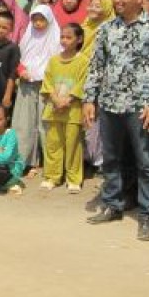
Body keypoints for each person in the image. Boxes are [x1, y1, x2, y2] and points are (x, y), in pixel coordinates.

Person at [84, 0, 149, 241]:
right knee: (111, 158)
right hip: (111, 103)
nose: (118, 0)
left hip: (143, 106)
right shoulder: (106, 29)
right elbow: (97, 66)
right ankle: (112, 204)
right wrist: (90, 99)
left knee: (147, 161)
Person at [40, 24, 89, 192]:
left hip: (73, 111)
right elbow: (47, 82)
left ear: (79, 39)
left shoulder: (83, 61)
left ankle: (73, 178)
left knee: (73, 144)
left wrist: (67, 100)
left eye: (69, 37)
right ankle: (52, 176)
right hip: (53, 109)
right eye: (62, 37)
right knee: (53, 144)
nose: (64, 40)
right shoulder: (53, 60)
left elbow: (83, 83)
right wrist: (55, 99)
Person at [15, 5, 61, 174]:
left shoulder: (56, 38)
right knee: (24, 123)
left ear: (49, 20)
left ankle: (50, 165)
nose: (38, 23)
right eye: (35, 19)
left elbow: (59, 62)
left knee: (46, 125)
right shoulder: (28, 37)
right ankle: (25, 161)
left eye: (42, 20)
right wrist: (21, 71)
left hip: (48, 86)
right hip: (27, 84)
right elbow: (19, 58)